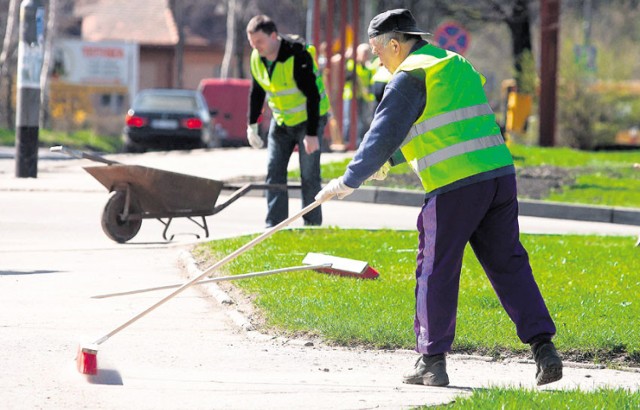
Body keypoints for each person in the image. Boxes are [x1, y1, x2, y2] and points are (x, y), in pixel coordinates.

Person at [315, 9, 563, 387]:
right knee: (508, 263)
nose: (377, 59)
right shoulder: (453, 62)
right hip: (498, 175)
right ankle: (544, 349)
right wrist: (391, 161)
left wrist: (349, 181)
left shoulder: (409, 77)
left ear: (395, 44)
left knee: (436, 269)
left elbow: (381, 135)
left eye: (377, 51)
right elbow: (446, 124)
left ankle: (431, 361)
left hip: (454, 185)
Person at [246, 15, 330, 227]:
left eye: (259, 42)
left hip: (309, 121)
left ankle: (312, 227)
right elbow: (257, 92)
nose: (256, 47)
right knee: (274, 174)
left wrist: (311, 134)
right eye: (252, 43)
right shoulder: (257, 58)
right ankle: (274, 226)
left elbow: (312, 95)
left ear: (273, 36)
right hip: (281, 121)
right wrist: (252, 125)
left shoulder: (297, 55)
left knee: (309, 176)